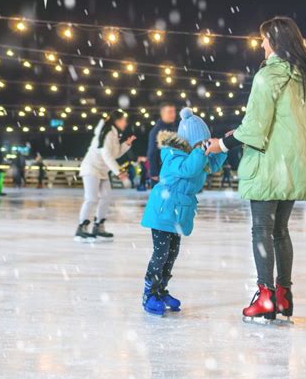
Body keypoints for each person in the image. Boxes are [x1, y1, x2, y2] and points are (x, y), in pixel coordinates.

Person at [205, 16, 306, 322]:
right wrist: (239, 133)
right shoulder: (305, 77)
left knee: (262, 229)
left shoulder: (268, 76)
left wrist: (222, 144)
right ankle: (284, 296)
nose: (260, 44)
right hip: (294, 165)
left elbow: (256, 128)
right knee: (280, 231)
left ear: (274, 40)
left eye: (263, 39)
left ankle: (265, 296)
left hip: (269, 164)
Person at [140, 108, 227, 316]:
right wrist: (200, 151)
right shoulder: (173, 154)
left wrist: (223, 147)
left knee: (171, 254)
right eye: (199, 143)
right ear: (189, 141)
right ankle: (149, 294)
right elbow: (189, 169)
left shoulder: (195, 154)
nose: (202, 147)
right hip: (163, 211)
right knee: (160, 253)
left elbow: (210, 166)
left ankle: (160, 290)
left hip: (178, 213)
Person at [75, 109, 135, 243]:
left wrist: (126, 144)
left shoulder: (114, 134)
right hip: (92, 168)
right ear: (117, 121)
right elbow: (106, 155)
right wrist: (119, 173)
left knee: (106, 197)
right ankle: (81, 228)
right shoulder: (107, 133)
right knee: (91, 198)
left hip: (102, 171)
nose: (125, 123)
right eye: (124, 120)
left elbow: (114, 154)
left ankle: (98, 227)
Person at [147, 103, 177, 187]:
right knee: (161, 199)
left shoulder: (175, 129)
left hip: (174, 172)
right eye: (170, 112)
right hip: (161, 173)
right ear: (163, 113)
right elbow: (152, 152)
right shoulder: (156, 131)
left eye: (174, 112)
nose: (173, 114)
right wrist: (154, 173)